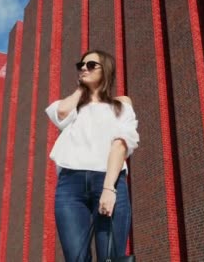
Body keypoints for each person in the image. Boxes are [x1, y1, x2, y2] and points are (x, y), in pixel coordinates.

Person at [45, 49, 139, 261]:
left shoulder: (120, 104)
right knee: (75, 258)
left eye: (91, 65)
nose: (84, 69)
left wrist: (109, 188)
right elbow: (60, 113)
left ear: (104, 70)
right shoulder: (73, 106)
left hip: (109, 180)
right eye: (81, 66)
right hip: (70, 186)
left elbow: (120, 145)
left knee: (111, 256)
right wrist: (81, 89)